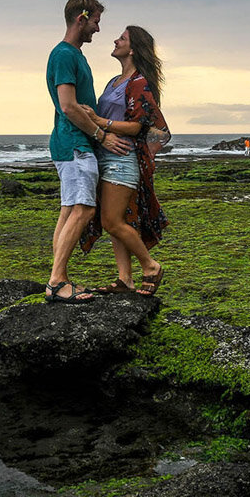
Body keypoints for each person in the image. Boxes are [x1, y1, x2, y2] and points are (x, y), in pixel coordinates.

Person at [44, 0, 131, 304]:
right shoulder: (65, 55)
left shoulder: (74, 56)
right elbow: (68, 106)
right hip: (75, 144)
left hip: (72, 144)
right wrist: (101, 135)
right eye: (95, 21)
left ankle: (59, 278)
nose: (97, 28)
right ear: (81, 19)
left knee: (69, 210)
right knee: (84, 209)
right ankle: (56, 282)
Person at [78, 25, 170, 297]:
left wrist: (98, 121)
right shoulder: (113, 82)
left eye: (122, 38)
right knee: (117, 220)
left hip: (123, 158)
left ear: (132, 49)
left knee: (111, 221)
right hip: (105, 156)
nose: (115, 40)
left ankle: (151, 266)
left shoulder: (139, 82)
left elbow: (140, 126)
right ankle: (124, 279)